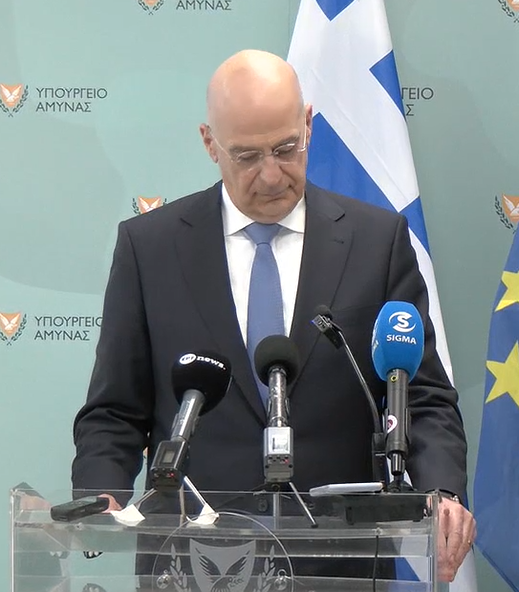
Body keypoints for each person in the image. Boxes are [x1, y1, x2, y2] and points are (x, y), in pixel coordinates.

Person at [71, 50, 473, 581]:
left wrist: (442, 493)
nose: (270, 176)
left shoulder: (377, 242)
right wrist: (100, 496)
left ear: (308, 124)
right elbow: (114, 410)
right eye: (246, 156)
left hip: (338, 566)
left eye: (286, 149)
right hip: (192, 563)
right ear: (209, 143)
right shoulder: (150, 248)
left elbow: (421, 396)